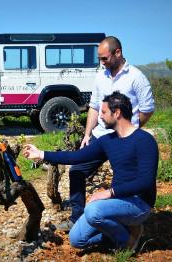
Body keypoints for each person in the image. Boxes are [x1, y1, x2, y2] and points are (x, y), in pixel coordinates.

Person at [23, 91, 158, 251]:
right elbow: (77, 157)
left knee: (93, 210)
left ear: (117, 113)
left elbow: (146, 181)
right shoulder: (108, 141)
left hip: (138, 204)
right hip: (116, 202)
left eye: (104, 112)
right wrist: (41, 154)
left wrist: (110, 193)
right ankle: (121, 230)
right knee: (76, 239)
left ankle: (127, 240)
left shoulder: (144, 140)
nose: (100, 116)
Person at [60, 36, 155, 232]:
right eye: (100, 59)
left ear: (117, 53)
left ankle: (130, 219)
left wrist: (130, 131)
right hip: (100, 137)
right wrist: (87, 135)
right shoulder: (100, 76)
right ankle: (77, 218)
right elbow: (95, 107)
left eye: (104, 58)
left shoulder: (137, 77)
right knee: (76, 171)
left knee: (126, 180)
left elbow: (147, 109)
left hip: (123, 139)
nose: (102, 63)